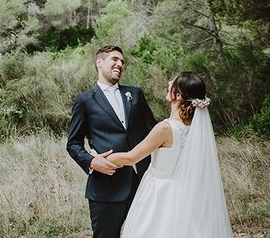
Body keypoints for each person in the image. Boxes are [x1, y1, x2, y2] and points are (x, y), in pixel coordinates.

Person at [97, 71, 232, 238]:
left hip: (160, 192)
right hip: (188, 193)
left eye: (173, 82)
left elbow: (130, 157)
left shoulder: (165, 128)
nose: (169, 82)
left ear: (178, 95)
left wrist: (96, 159)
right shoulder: (197, 128)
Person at [67, 45, 157, 238]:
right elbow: (73, 143)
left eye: (122, 62)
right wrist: (91, 162)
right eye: (115, 60)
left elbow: (153, 131)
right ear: (99, 63)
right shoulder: (85, 100)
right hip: (107, 186)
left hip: (144, 182)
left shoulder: (135, 94)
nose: (120, 64)